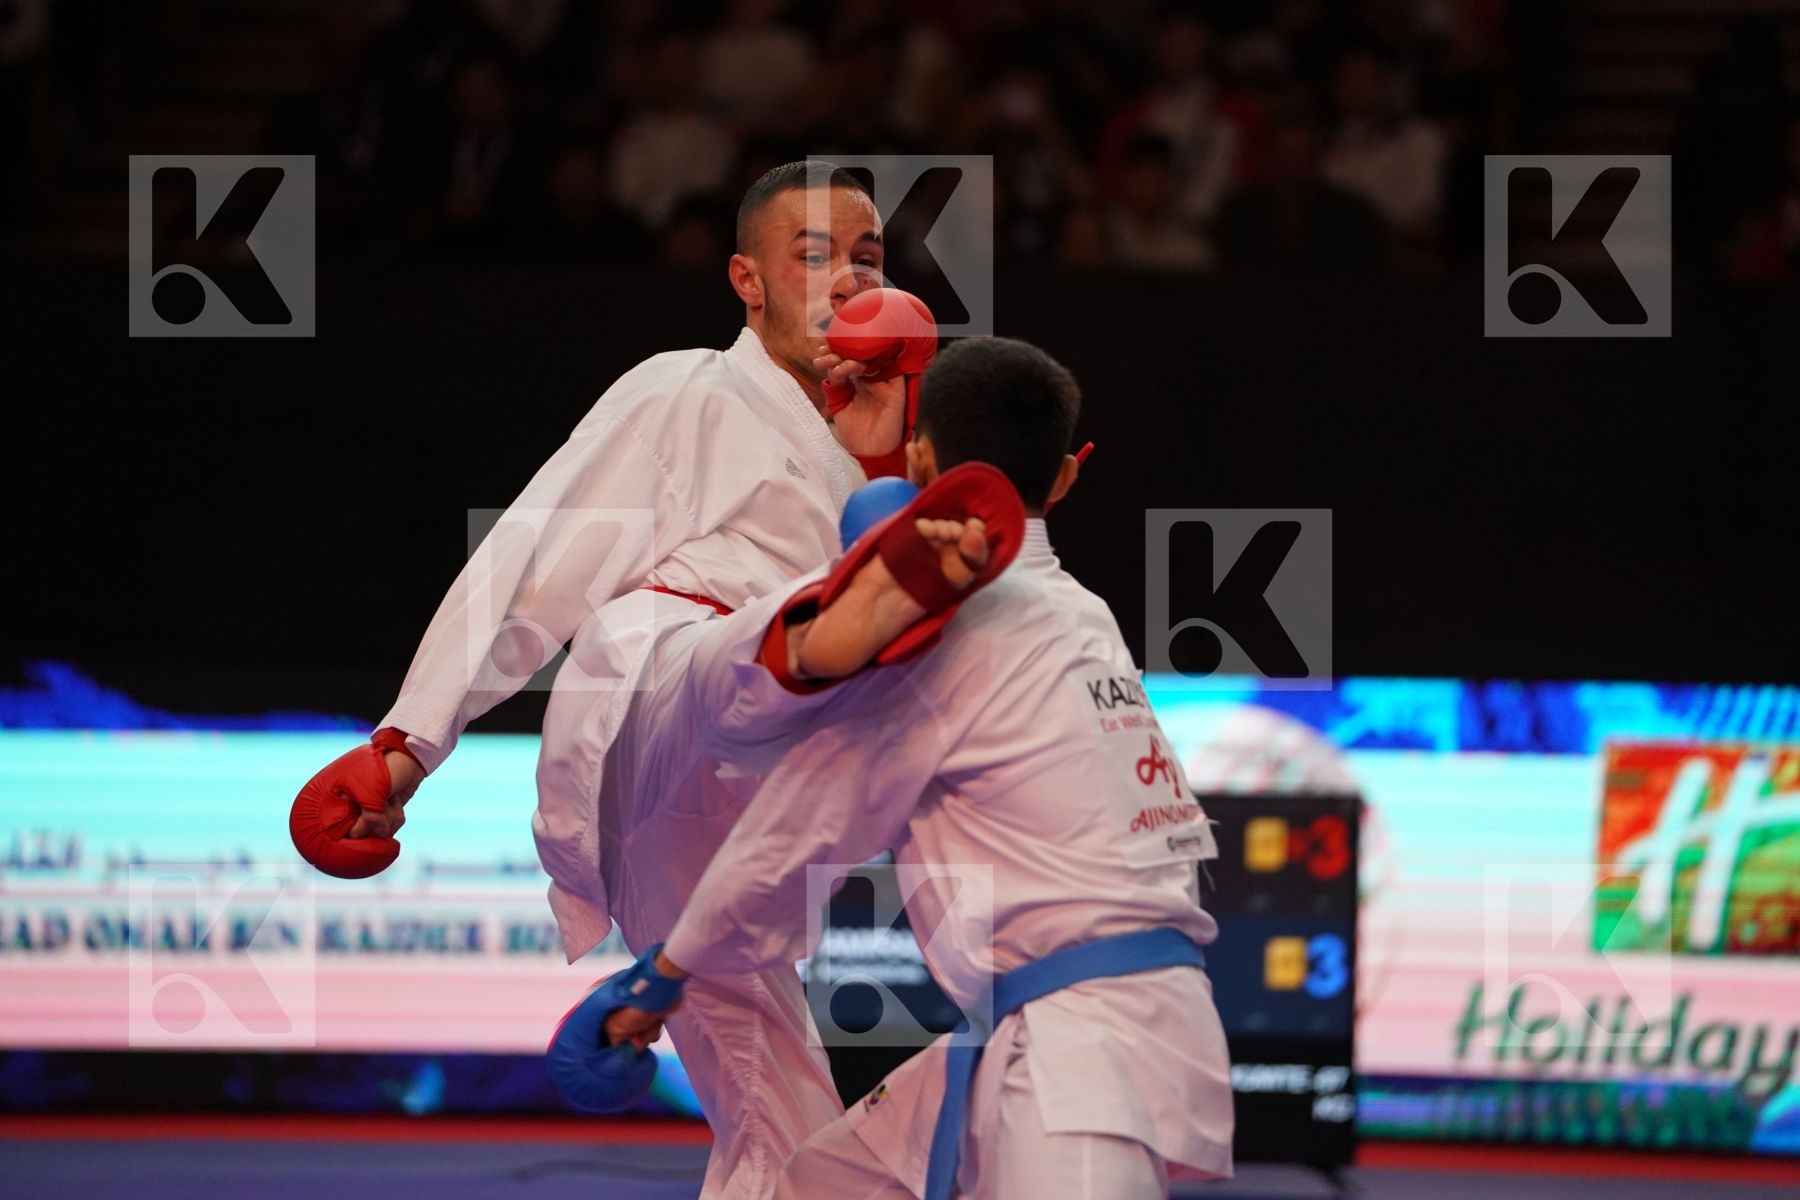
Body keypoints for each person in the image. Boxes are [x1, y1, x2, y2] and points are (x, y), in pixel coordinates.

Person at [291, 161, 920, 1200]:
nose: (849, 279)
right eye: (813, 255)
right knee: (749, 657)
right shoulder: (687, 389)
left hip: (756, 788)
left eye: (868, 256)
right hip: (673, 690)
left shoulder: (882, 445)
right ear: (746, 281)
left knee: (788, 1138)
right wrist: (407, 744)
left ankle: (675, 977)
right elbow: (531, 563)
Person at [600, 337, 1236, 1198]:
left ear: (921, 459)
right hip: (1083, 1016)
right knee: (815, 1184)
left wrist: (666, 972)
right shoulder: (1083, 614)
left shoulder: (952, 633)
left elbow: (803, 821)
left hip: (1082, 1050)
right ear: (1064, 479)